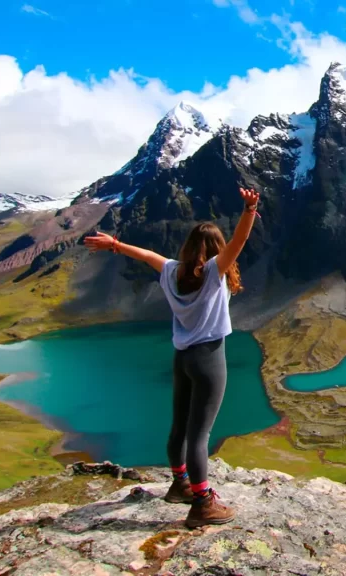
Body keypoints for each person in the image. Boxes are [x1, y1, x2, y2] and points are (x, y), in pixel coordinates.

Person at [84, 186, 260, 528]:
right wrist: (249, 210)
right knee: (200, 435)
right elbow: (239, 243)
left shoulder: (170, 272)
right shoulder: (213, 273)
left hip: (182, 359)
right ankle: (203, 503)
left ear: (189, 247)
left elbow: (146, 255)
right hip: (209, 359)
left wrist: (115, 245)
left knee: (180, 426)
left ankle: (180, 484)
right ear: (215, 250)